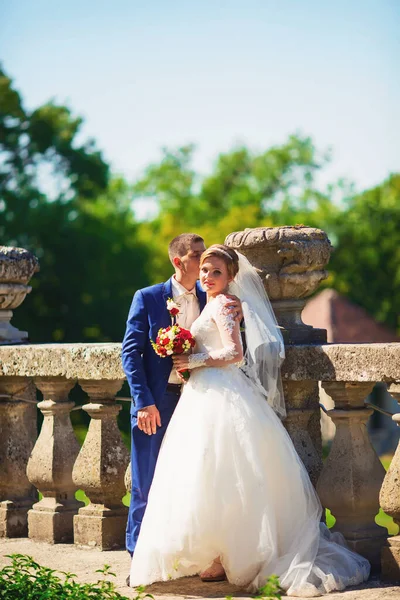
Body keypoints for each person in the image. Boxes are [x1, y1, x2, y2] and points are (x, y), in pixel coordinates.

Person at [128, 244, 370, 596]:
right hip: (201, 395)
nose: (208, 277)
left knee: (232, 474)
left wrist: (193, 361)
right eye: (206, 270)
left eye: (216, 273)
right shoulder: (209, 302)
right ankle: (216, 553)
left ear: (230, 278)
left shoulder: (225, 303)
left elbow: (235, 353)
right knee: (205, 475)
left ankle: (235, 554)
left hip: (223, 393)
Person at [122, 234, 242, 558]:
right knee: (145, 483)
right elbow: (130, 354)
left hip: (198, 401)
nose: (204, 264)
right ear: (179, 262)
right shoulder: (147, 298)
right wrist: (143, 402)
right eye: (197, 256)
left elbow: (229, 340)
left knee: (192, 482)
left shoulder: (214, 298)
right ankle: (138, 556)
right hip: (156, 402)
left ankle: (182, 555)